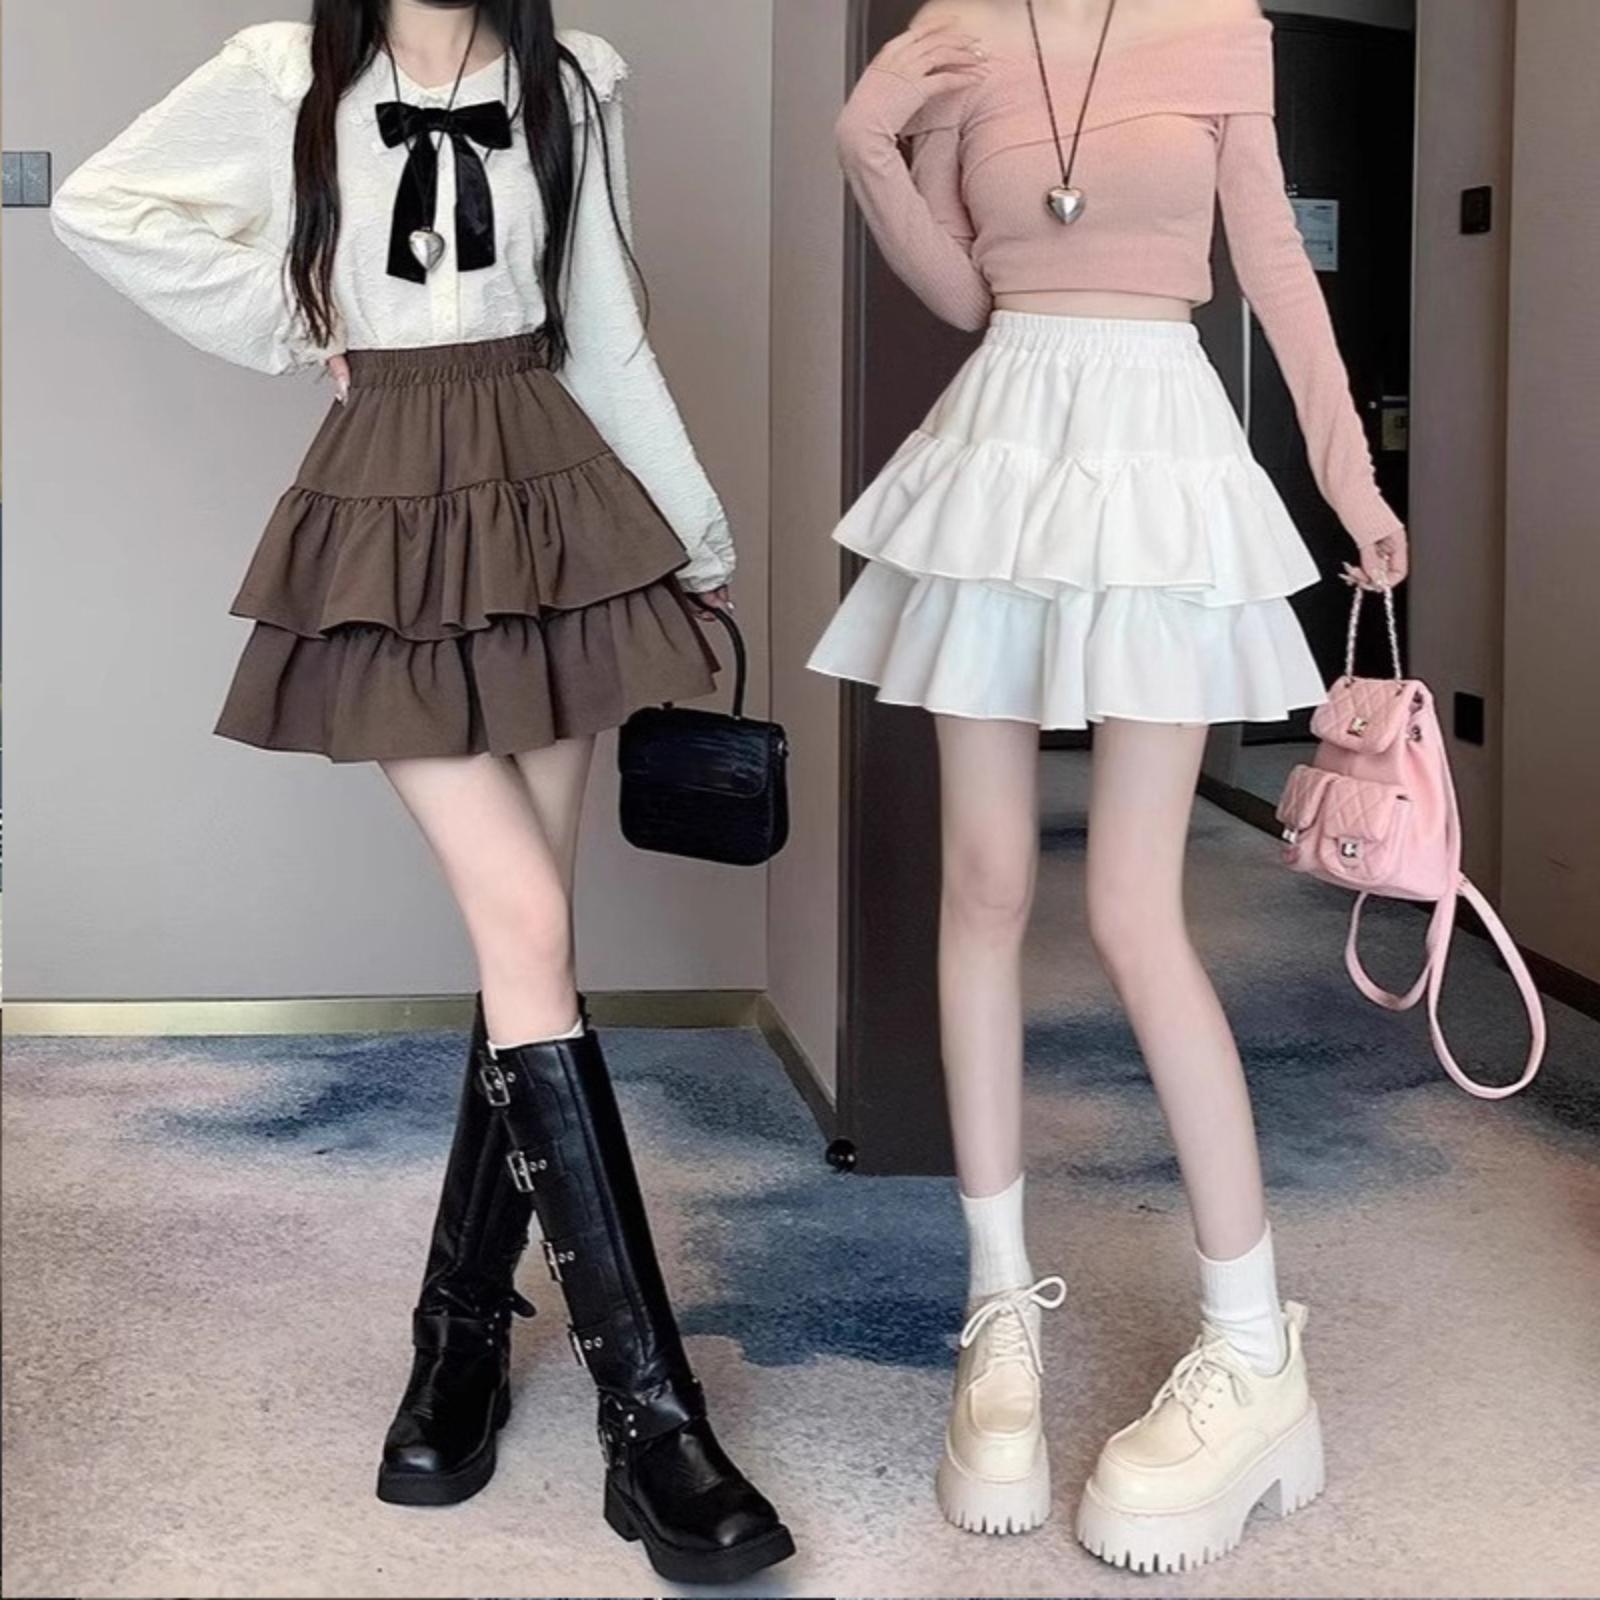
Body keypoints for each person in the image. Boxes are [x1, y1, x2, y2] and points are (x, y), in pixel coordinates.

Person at [50, 0, 793, 1585]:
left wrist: (694, 534)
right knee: (526, 929)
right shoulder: (286, 71)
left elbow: (605, 327)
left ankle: (458, 1334)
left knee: (533, 951)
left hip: (556, 491)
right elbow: (105, 203)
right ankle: (651, 1424)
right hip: (388, 497)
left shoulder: (575, 78)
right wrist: (292, 309)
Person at [811, 0, 1406, 1572]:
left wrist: (1347, 476)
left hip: (1162, 447)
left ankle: (1255, 1348)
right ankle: (998, 1322)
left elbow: (1270, 258)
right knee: (985, 883)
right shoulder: (957, 33)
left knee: (1138, 909)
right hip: (1005, 439)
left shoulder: (1219, 30)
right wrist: (868, 142)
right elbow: (965, 287)